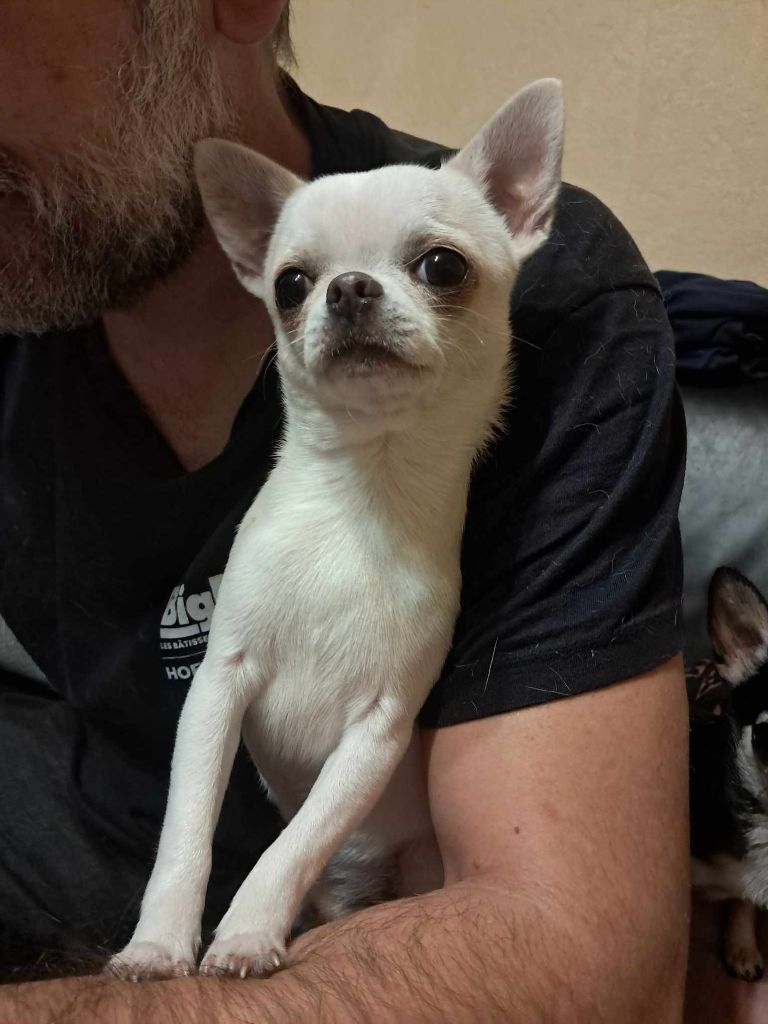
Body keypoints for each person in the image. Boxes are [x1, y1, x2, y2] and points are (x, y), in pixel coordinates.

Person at [0, 1, 689, 1019]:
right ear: (258, 264)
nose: (352, 297)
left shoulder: (574, 313)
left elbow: (582, 958)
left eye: (436, 269)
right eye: (298, 285)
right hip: (91, 813)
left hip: (368, 912)